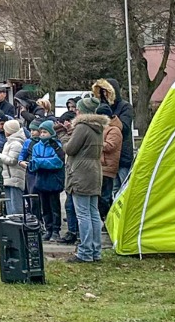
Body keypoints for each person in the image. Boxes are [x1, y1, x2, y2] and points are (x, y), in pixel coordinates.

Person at [64, 95, 109, 263]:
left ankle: (85, 252)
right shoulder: (98, 126)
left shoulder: (82, 127)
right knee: (93, 213)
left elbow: (70, 149)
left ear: (81, 110)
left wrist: (64, 136)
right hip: (94, 171)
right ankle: (96, 251)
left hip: (81, 172)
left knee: (83, 214)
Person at [22, 120, 65, 241]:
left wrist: (41, 162)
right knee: (44, 207)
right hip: (40, 179)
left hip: (53, 179)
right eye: (41, 132)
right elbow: (34, 162)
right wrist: (42, 162)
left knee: (54, 206)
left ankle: (56, 230)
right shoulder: (36, 146)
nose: (42, 134)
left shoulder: (57, 145)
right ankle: (48, 228)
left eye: (45, 132)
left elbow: (57, 162)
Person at [94, 78, 136, 195]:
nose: (104, 94)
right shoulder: (99, 107)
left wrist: (110, 116)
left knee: (124, 190)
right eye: (101, 91)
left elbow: (125, 128)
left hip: (122, 155)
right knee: (108, 192)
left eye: (106, 91)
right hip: (106, 159)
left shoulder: (125, 107)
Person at [98, 101, 124, 219]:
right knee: (101, 196)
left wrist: (94, 143)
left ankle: (108, 218)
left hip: (107, 167)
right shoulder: (103, 129)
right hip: (101, 166)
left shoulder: (114, 130)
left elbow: (110, 146)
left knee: (105, 197)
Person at [0, 118, 28, 217]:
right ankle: (11, 228)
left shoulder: (16, 144)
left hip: (15, 177)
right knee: (9, 206)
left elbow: (12, 160)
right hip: (8, 177)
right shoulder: (8, 142)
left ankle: (19, 227)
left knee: (16, 206)